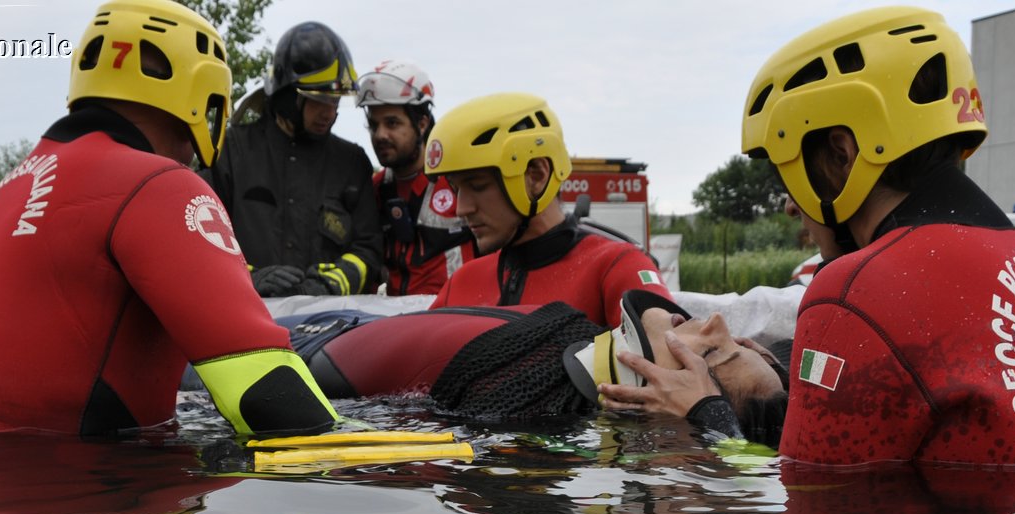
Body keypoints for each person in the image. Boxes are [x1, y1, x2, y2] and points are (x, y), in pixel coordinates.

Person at [601, 5, 1015, 466]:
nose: (788, 205)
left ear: (842, 154)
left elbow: (811, 503)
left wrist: (704, 416)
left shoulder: (857, 292)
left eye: (788, 175)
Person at [0, 0, 340, 438]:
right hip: (80, 493)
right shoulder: (159, 184)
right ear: (198, 96)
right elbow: (265, 393)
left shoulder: (2, 198)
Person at [276, 289, 783, 428]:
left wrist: (707, 421)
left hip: (290, 353)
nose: (719, 323)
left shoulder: (531, 405)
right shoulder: (568, 343)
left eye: (715, 352)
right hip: (341, 322)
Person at [422, 92, 670, 328]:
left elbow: (673, 353)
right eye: (456, 189)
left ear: (537, 175)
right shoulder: (462, 282)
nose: (461, 208)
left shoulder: (617, 267)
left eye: (478, 186)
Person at [209, 22, 382, 299]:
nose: (330, 112)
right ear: (288, 96)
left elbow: (369, 249)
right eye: (319, 100)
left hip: (325, 327)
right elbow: (196, 235)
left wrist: (334, 282)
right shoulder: (231, 150)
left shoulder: (351, 163)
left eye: (336, 101)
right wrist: (248, 276)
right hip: (244, 319)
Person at [358, 60, 473, 296]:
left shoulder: (458, 181)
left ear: (421, 124)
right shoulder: (375, 189)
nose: (380, 135)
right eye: (373, 124)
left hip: (456, 318)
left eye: (392, 123)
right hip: (395, 323)